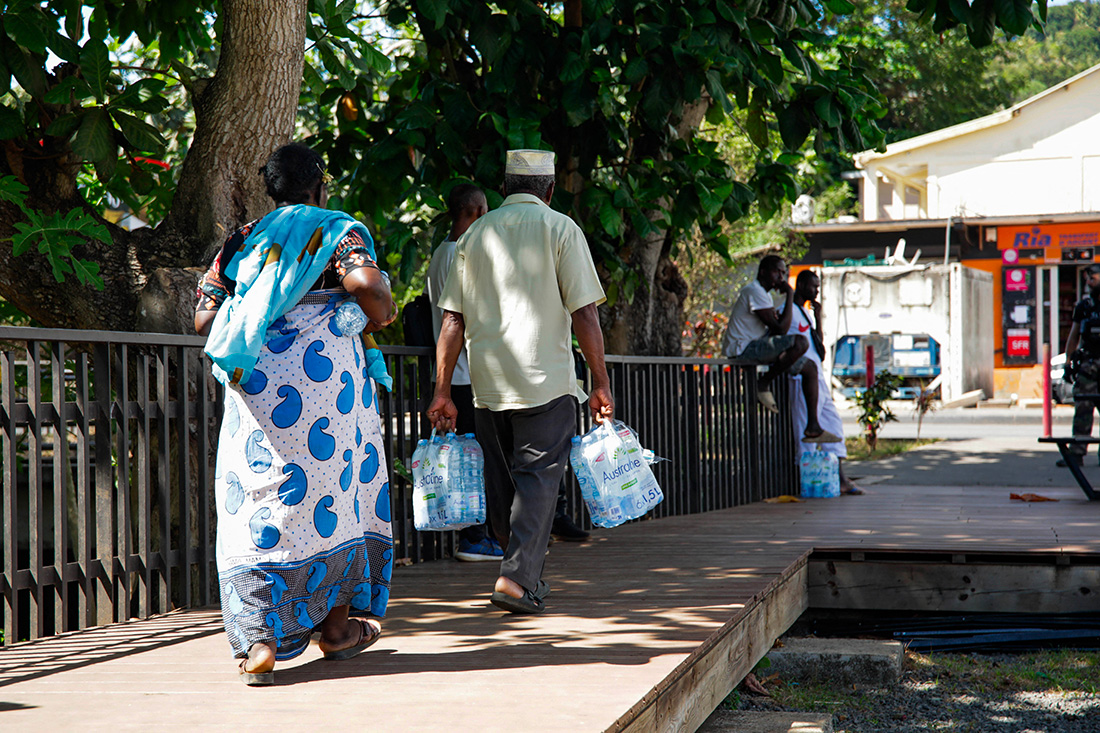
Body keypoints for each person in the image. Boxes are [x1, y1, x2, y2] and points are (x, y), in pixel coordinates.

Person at [195, 143, 397, 685]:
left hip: (256, 390)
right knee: (335, 494)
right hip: (326, 387)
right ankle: (335, 631)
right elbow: (365, 285)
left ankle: (259, 643)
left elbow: (203, 315)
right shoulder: (338, 231)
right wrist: (383, 308)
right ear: (320, 186)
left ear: (272, 188)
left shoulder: (242, 240)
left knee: (260, 499)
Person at [427, 148, 613, 615]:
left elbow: (452, 321)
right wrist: (600, 381)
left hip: (489, 387)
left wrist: (443, 391)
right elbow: (585, 314)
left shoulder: (473, 236)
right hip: (545, 383)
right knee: (537, 481)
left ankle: (519, 569)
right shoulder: (561, 229)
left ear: (504, 189)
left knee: (505, 484)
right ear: (549, 191)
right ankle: (516, 578)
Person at [426, 183, 502, 561]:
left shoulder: (440, 254)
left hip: (450, 374)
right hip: (465, 376)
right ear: (474, 211)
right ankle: (475, 538)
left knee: (469, 457)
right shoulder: (465, 255)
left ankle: (478, 534)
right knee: (477, 458)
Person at [722, 254, 841, 444]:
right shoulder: (754, 291)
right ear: (763, 272)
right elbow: (780, 329)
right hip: (743, 349)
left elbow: (776, 326)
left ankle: (813, 427)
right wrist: (790, 294)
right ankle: (764, 382)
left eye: (784, 273)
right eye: (777, 272)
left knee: (810, 367)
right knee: (800, 342)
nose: (781, 278)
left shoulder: (765, 295)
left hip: (758, 345)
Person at [785, 270, 863, 494]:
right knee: (803, 429)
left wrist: (818, 319)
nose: (816, 292)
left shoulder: (807, 314)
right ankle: (801, 480)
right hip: (800, 379)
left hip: (817, 378)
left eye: (818, 288)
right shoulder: (788, 312)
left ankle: (841, 478)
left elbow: (819, 352)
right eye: (812, 287)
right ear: (800, 285)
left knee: (833, 424)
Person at [1059, 264, 1100, 467]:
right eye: (1087, 279)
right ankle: (1077, 453)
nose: (1089, 282)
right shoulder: (1084, 307)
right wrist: (1068, 362)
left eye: (1092, 278)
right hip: (1089, 365)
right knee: (1083, 407)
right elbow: (1074, 335)